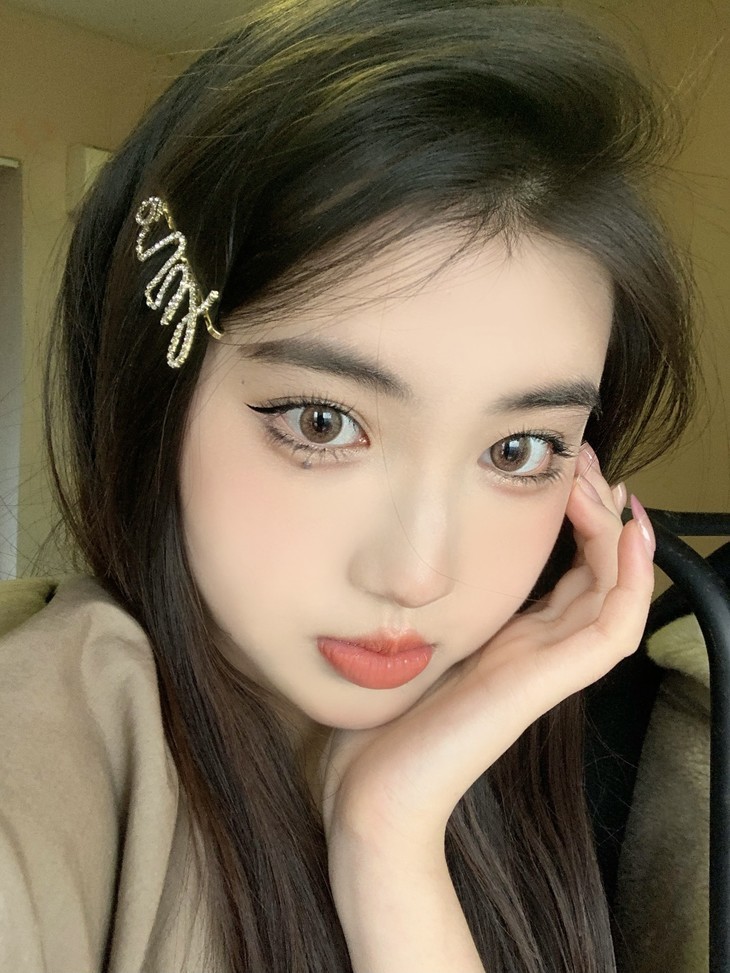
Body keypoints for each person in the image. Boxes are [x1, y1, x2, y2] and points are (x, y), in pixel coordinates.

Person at [0, 0, 698, 970]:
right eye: (323, 422)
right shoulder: (36, 780)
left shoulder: (522, 758)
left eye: (518, 449)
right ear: (160, 396)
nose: (416, 574)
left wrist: (390, 843)